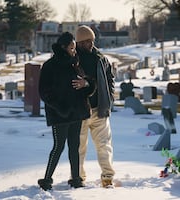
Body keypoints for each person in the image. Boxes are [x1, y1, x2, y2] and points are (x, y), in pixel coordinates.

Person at [38, 31, 95, 191]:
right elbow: (44, 92)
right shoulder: (50, 66)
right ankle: (47, 179)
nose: (74, 51)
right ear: (63, 48)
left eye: (74, 48)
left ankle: (76, 178)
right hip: (60, 114)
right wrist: (61, 107)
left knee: (74, 146)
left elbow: (86, 83)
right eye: (71, 48)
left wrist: (86, 84)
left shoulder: (74, 63)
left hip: (76, 112)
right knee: (59, 146)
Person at [75, 25, 116, 188]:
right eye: (86, 42)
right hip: (80, 111)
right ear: (78, 42)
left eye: (91, 40)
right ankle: (78, 177)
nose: (90, 44)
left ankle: (107, 177)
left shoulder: (100, 58)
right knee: (79, 148)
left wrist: (109, 98)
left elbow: (110, 79)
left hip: (99, 109)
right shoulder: (72, 59)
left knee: (104, 146)